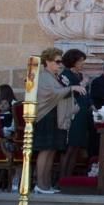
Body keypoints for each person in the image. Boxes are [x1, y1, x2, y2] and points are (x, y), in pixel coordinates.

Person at [33, 47, 86, 194]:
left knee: (52, 151)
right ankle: (40, 184)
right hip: (46, 116)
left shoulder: (54, 76)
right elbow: (51, 94)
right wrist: (72, 88)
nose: (60, 65)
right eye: (57, 62)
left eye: (60, 62)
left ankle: (46, 184)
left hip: (55, 115)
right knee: (45, 151)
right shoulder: (44, 76)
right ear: (47, 62)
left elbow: (59, 94)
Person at [59, 49, 92, 180]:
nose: (82, 64)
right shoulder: (65, 75)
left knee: (77, 147)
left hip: (83, 113)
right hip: (72, 114)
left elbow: (86, 94)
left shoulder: (80, 75)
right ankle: (62, 178)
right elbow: (65, 93)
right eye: (80, 61)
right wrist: (83, 84)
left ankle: (69, 178)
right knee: (69, 147)